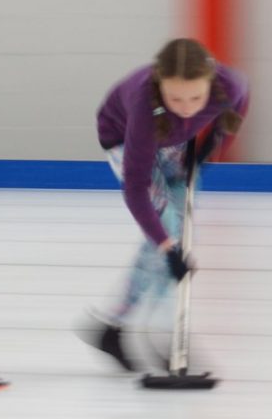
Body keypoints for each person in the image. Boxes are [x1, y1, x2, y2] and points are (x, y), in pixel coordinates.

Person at [79, 38, 249, 371]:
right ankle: (163, 334)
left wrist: (216, 144)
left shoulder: (229, 85)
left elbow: (241, 103)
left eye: (196, 98)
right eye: (175, 98)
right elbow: (136, 189)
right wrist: (166, 247)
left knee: (177, 235)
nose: (187, 107)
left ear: (211, 82)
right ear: (160, 86)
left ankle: (113, 326)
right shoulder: (144, 106)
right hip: (126, 141)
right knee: (168, 236)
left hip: (174, 141)